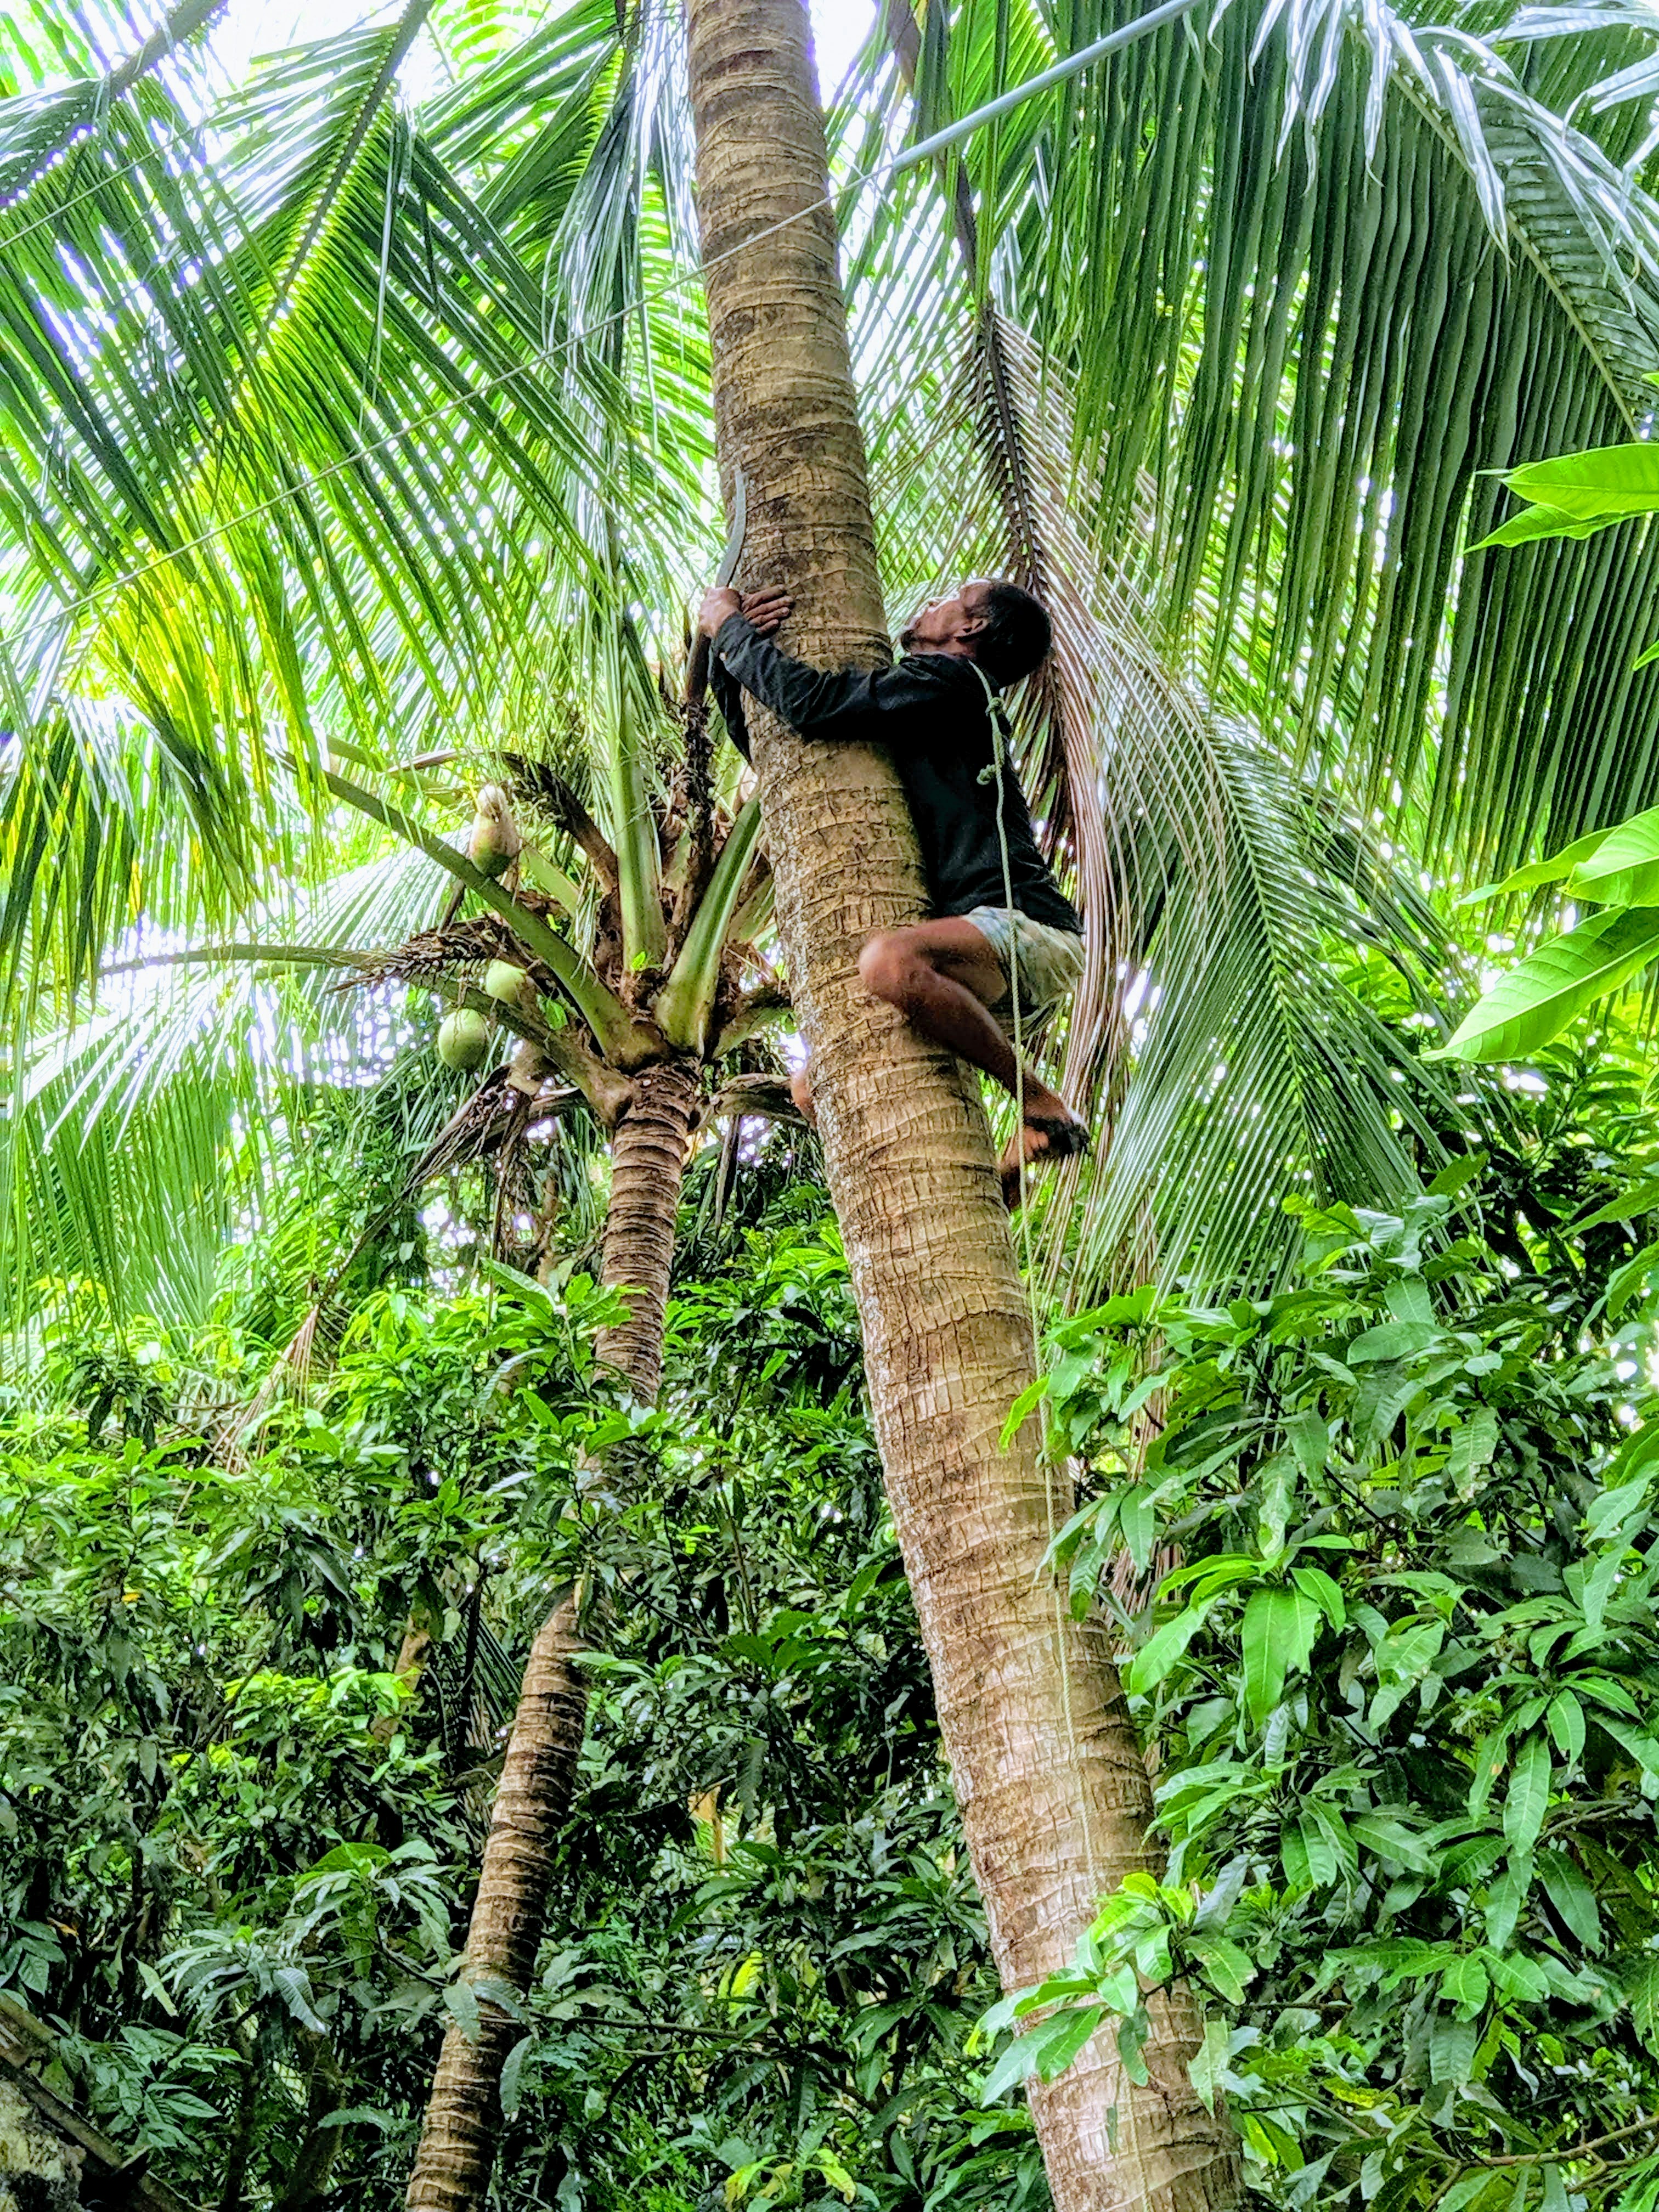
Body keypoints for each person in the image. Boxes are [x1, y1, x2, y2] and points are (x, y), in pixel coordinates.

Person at [698, 574, 1087, 1201]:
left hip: (1027, 927)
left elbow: (814, 704)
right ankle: (983, 1181)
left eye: (951, 599)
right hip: (983, 965)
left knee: (887, 962)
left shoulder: (955, 682)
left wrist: (730, 628)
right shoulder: (929, 701)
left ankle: (1040, 1101)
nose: (931, 602)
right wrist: (728, 654)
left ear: (970, 628)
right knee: (811, 1088)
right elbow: (781, 749)